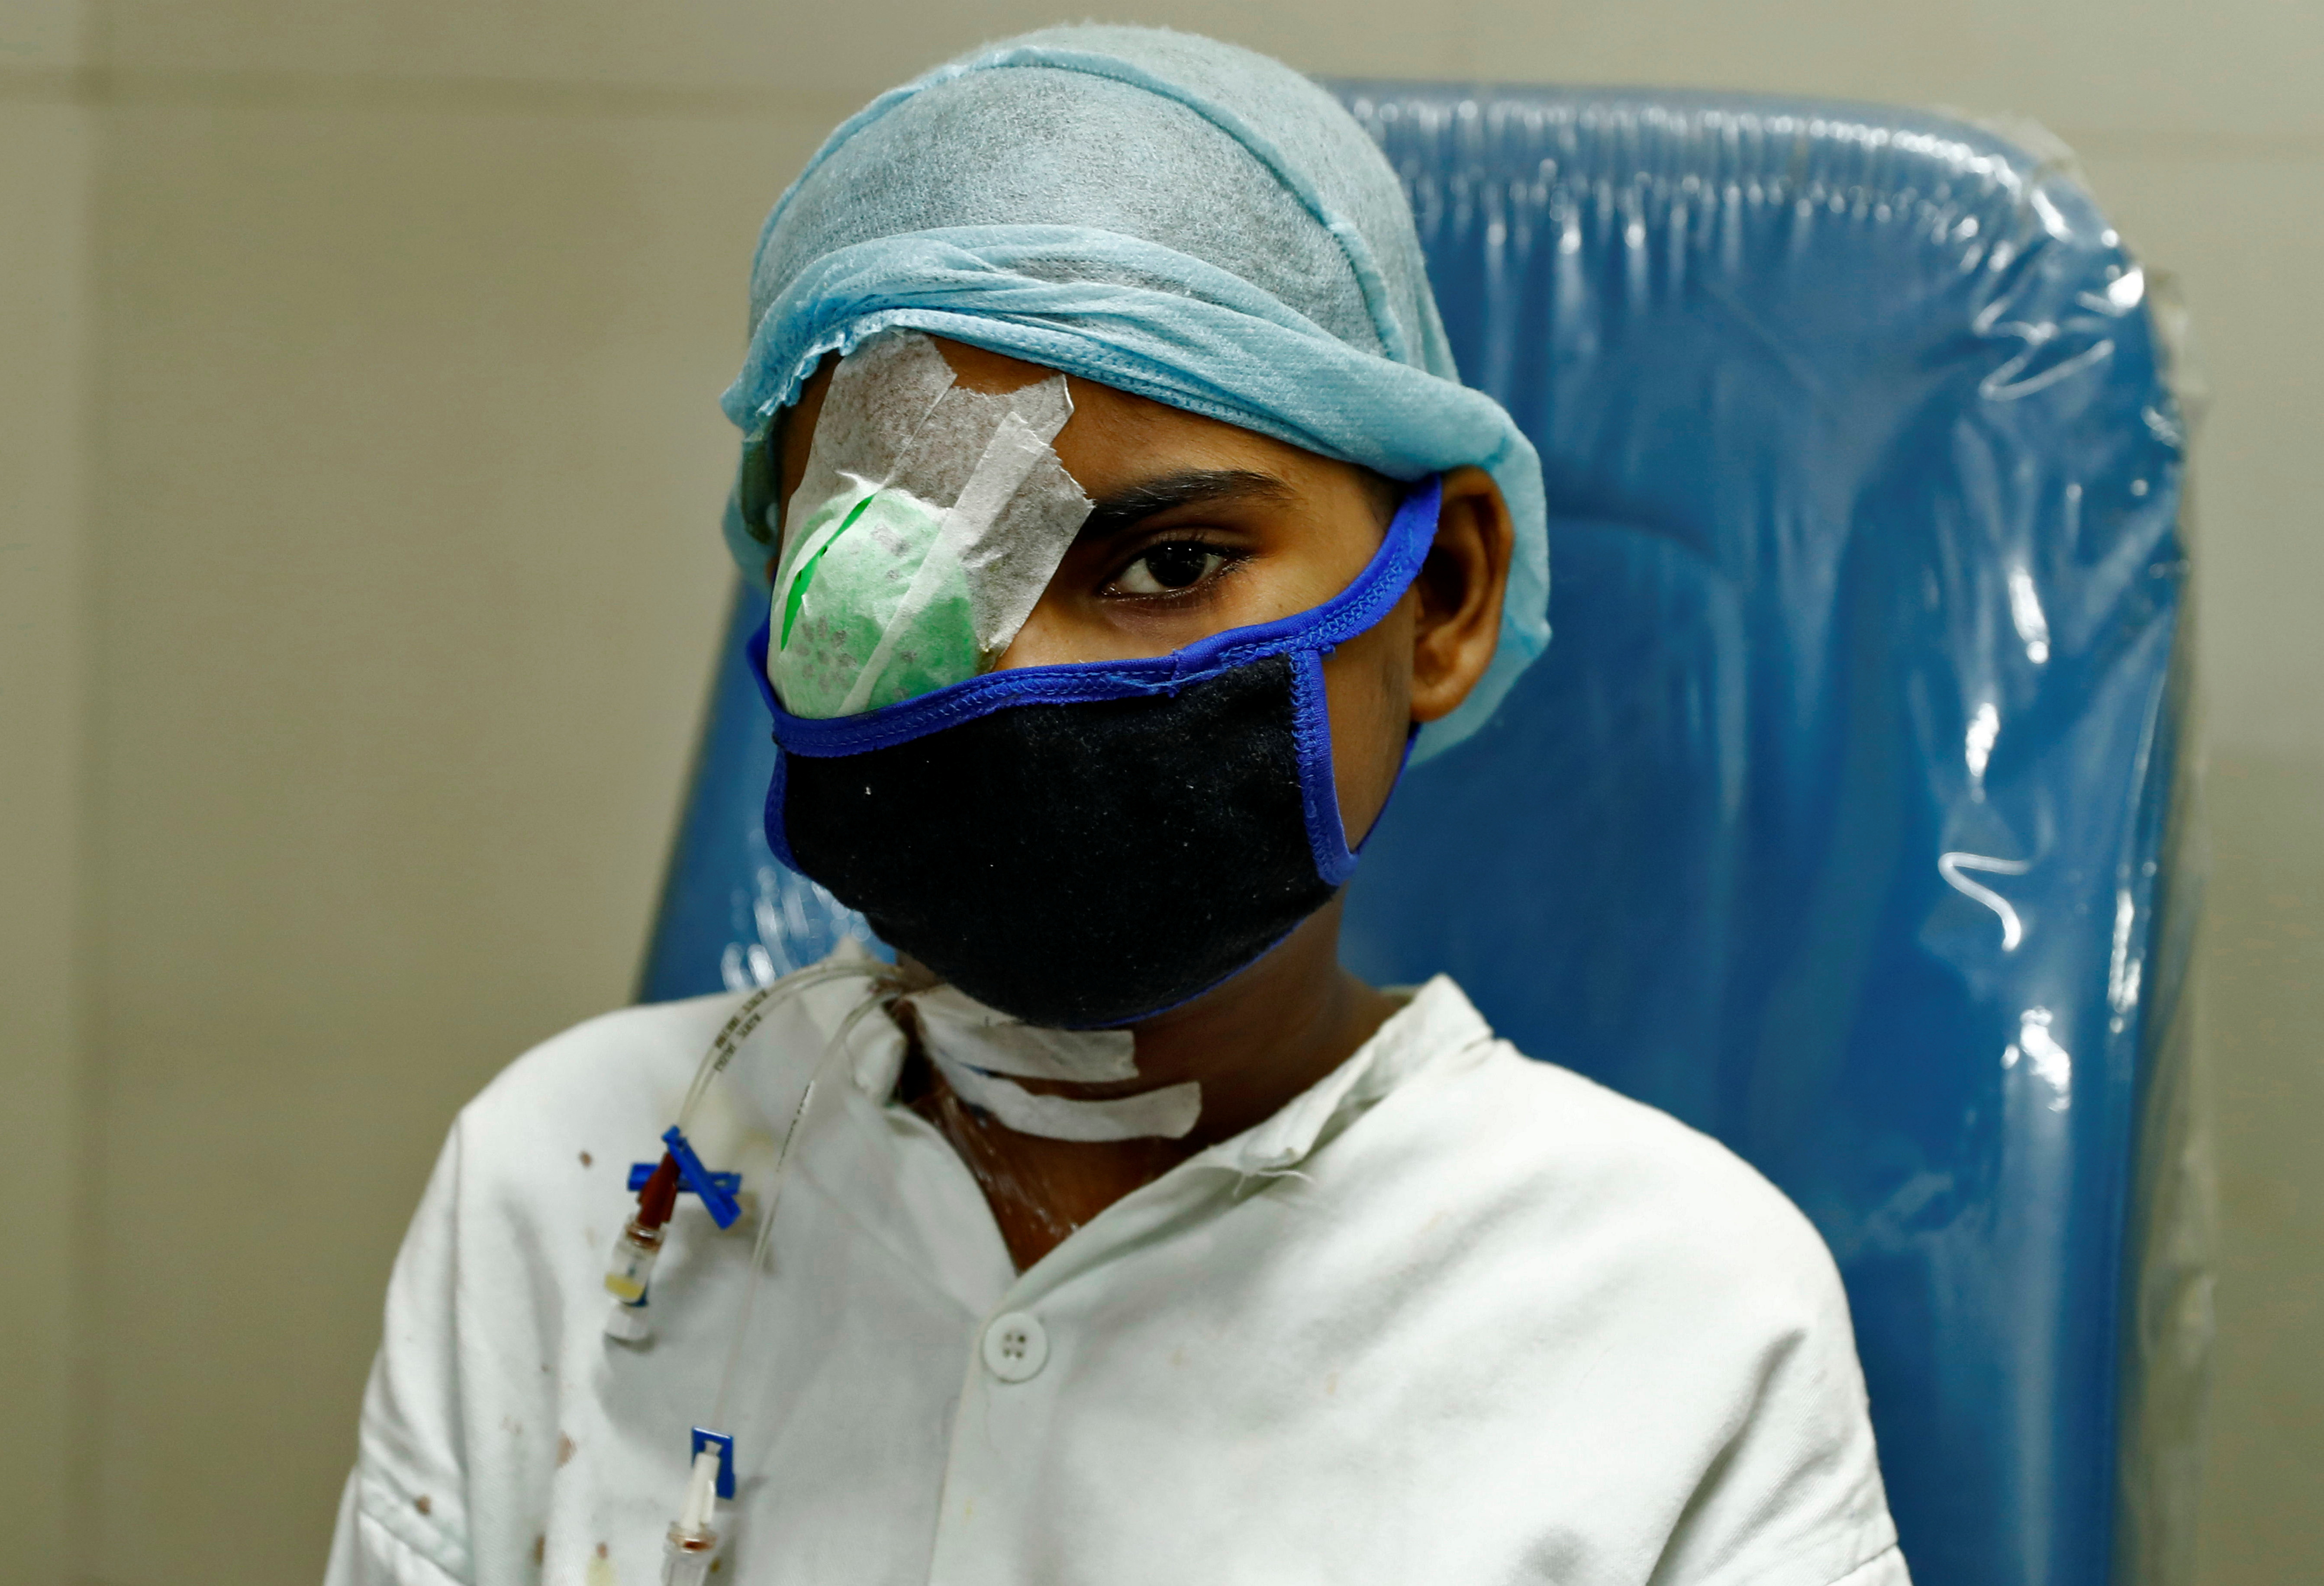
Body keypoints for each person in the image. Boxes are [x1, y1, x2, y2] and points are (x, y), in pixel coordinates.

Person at [326, 25, 1909, 1586]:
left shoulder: (1677, 1323)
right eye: (899, 582)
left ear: (1439, 592)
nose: (1021, 679)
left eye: (1170, 563)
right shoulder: (570, 1184)